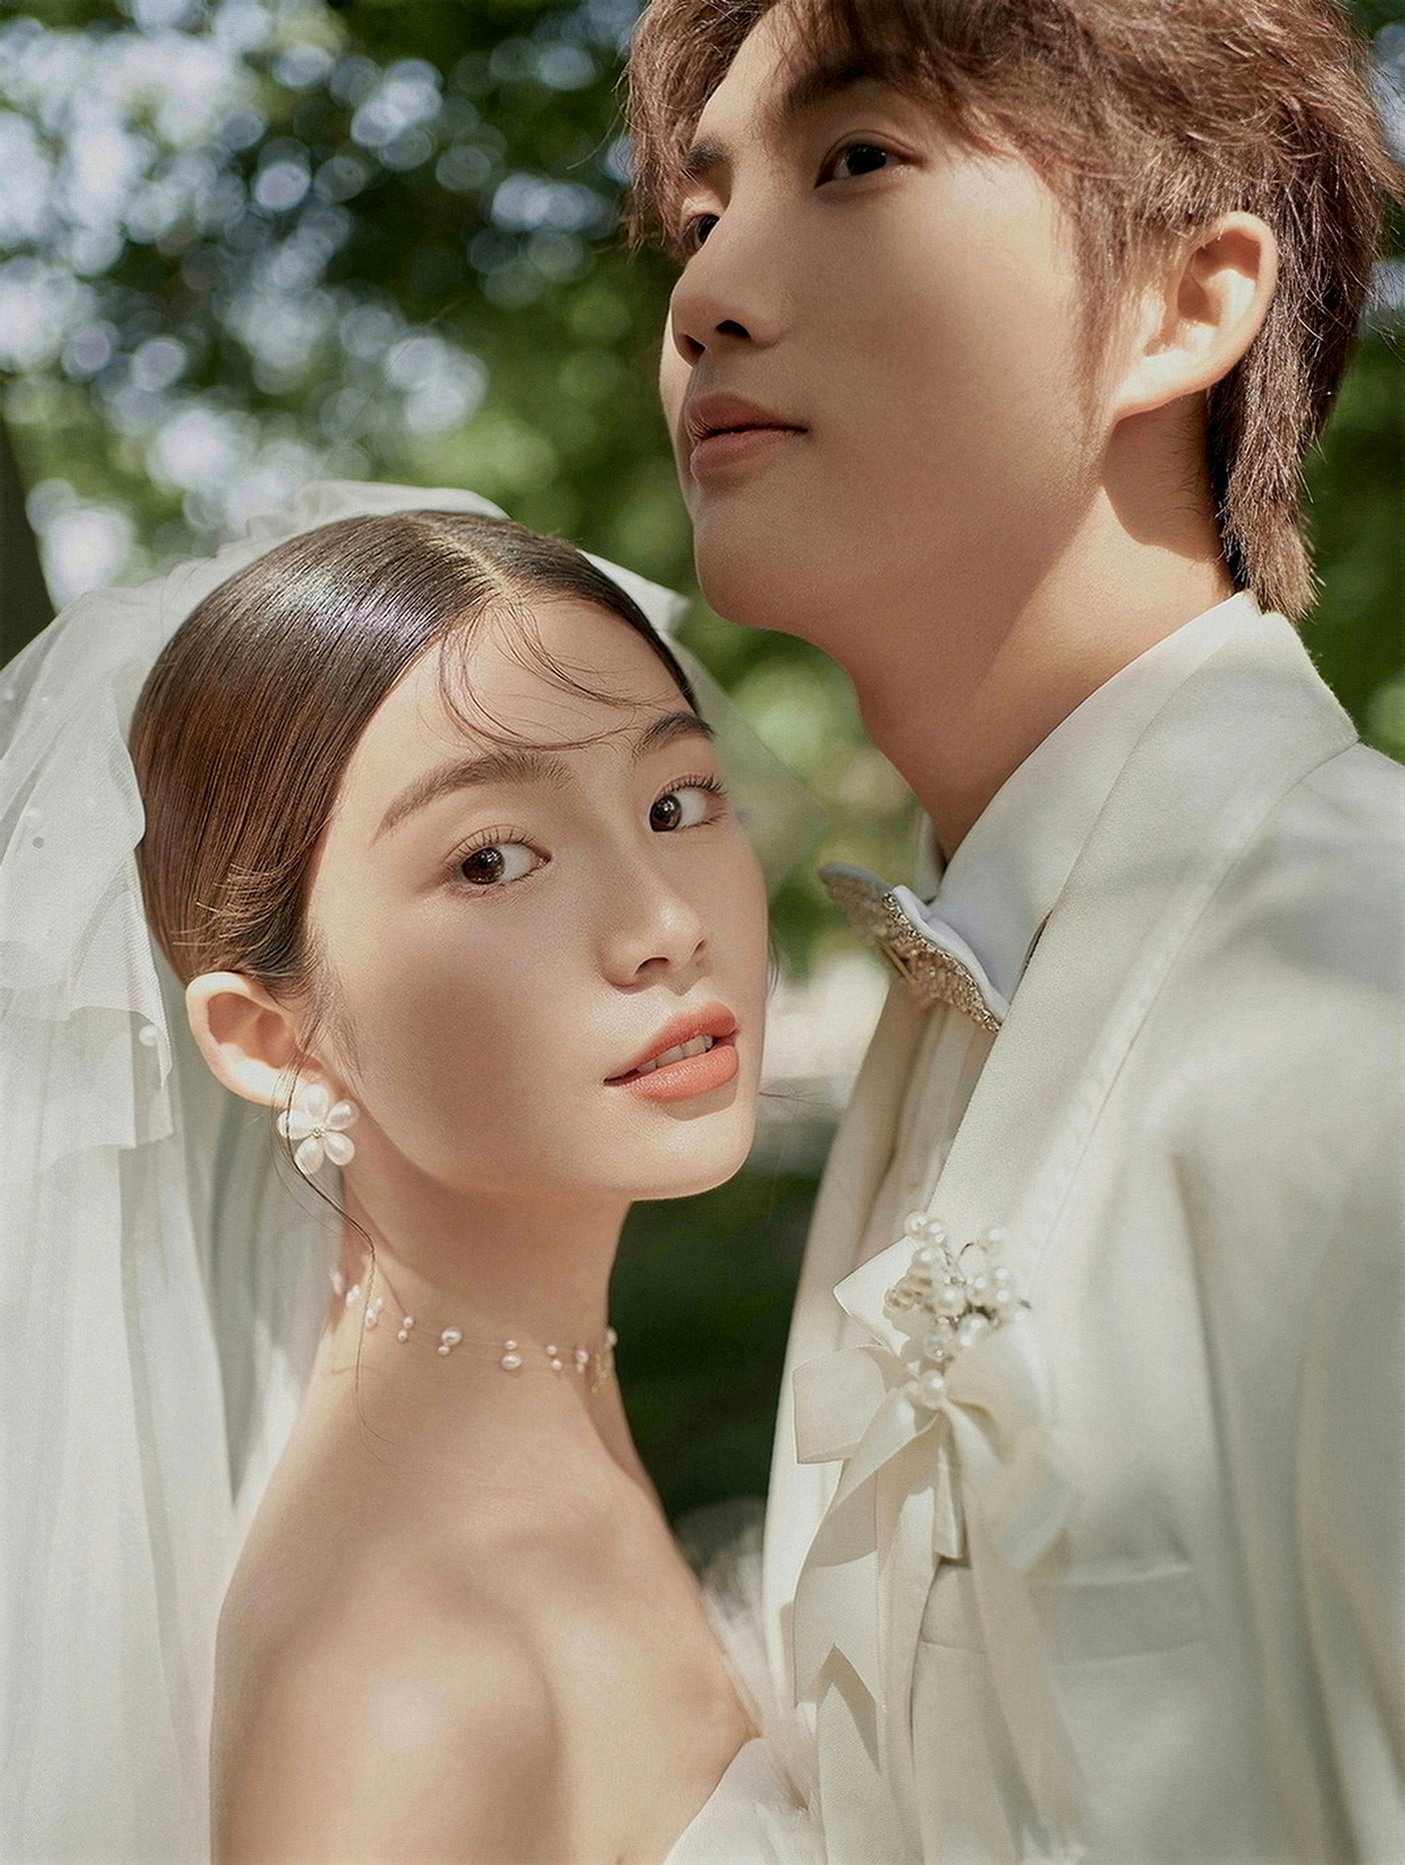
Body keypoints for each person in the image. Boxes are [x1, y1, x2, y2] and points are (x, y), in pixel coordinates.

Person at [628, 0, 1405, 1860]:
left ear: (1183, 305)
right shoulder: (944, 986)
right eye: (702, 213)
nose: (704, 294)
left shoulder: (1364, 990)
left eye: (857, 161)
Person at [0, 480, 822, 1865]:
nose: (662, 919)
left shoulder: (525, 1471)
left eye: (675, 800)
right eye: (494, 858)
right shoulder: (407, 1687)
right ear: (272, 1040)